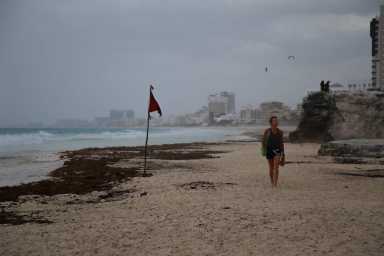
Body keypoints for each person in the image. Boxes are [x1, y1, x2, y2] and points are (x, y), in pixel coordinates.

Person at [262, 116, 285, 187]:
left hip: (277, 151)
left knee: (276, 167)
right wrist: (263, 150)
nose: (276, 122)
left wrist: (283, 154)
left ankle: (275, 183)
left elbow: (281, 143)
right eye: (274, 121)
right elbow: (263, 141)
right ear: (271, 122)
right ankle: (272, 181)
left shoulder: (280, 132)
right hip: (269, 150)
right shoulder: (267, 131)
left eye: (276, 121)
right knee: (271, 168)